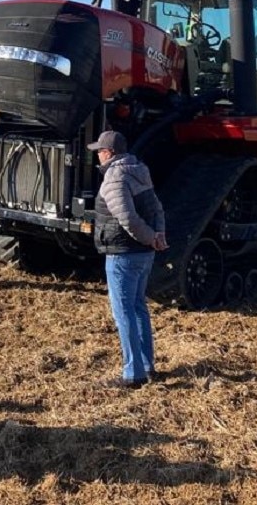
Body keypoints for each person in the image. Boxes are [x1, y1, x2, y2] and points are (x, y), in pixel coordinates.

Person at [88, 130, 167, 389]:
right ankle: (147, 364)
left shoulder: (114, 177)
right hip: (144, 254)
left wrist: (148, 237)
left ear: (109, 153)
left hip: (123, 254)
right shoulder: (139, 169)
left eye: (99, 151)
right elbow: (156, 207)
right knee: (138, 307)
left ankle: (133, 374)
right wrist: (158, 235)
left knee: (124, 313)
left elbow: (128, 219)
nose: (97, 155)